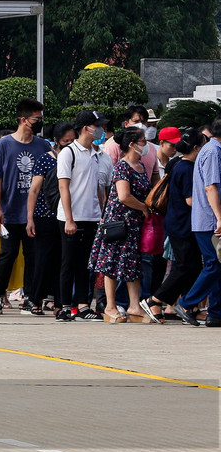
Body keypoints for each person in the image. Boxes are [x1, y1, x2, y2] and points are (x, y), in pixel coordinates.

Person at [0, 98, 48, 315]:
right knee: (8, 255)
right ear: (23, 119)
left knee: (33, 257)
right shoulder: (3, 146)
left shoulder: (43, 146)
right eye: (36, 119)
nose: (40, 122)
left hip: (36, 213)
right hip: (11, 211)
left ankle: (30, 298)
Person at [88, 127, 153, 322]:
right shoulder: (122, 167)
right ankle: (110, 306)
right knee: (112, 263)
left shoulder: (140, 165)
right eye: (142, 141)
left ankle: (134, 306)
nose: (146, 145)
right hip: (119, 223)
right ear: (132, 145)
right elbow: (124, 196)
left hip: (134, 224)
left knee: (133, 264)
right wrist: (143, 207)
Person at [140, 128, 203, 324]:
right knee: (186, 266)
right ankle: (155, 300)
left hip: (178, 222)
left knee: (191, 266)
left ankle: (163, 302)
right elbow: (191, 200)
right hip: (182, 224)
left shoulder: (178, 165)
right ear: (195, 148)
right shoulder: (187, 169)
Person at [54, 110, 108, 321]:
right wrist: (69, 218)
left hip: (92, 215)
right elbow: (63, 187)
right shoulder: (69, 153)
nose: (101, 130)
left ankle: (83, 305)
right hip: (71, 216)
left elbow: (97, 187)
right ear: (87, 128)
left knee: (86, 264)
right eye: (98, 126)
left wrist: (101, 213)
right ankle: (65, 305)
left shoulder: (95, 154)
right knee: (68, 262)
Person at [25, 122, 76, 315]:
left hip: (67, 216)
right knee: (43, 259)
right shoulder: (46, 159)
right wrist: (30, 218)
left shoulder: (75, 157)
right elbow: (34, 189)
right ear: (55, 141)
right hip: (45, 215)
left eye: (72, 141)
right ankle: (35, 299)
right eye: (65, 142)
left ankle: (58, 302)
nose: (69, 145)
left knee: (62, 260)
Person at [182, 117, 221, 328]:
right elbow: (210, 187)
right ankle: (187, 303)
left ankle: (215, 313)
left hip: (210, 219)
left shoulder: (212, 150)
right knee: (214, 264)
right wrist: (220, 217)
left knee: (218, 265)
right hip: (209, 220)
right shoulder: (213, 152)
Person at [102, 105, 158, 179]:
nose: (140, 125)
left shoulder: (151, 148)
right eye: (136, 121)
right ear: (126, 124)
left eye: (143, 122)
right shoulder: (113, 147)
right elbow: (107, 178)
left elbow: (155, 178)